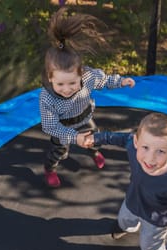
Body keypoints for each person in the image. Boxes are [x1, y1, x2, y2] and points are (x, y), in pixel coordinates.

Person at [40, 7, 136, 187]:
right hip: (63, 127)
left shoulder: (88, 77)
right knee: (59, 151)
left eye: (72, 83)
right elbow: (50, 125)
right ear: (50, 77)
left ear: (81, 74)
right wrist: (74, 137)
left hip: (84, 118)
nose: (67, 89)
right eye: (60, 84)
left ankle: (95, 151)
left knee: (94, 138)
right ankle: (49, 168)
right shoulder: (47, 97)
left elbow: (105, 80)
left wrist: (121, 82)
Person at [83, 113, 167, 250]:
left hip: (155, 219)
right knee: (124, 221)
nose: (150, 159)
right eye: (145, 148)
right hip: (132, 201)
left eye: (160, 151)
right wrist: (97, 138)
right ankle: (126, 227)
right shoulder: (132, 145)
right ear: (137, 143)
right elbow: (119, 138)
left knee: (149, 244)